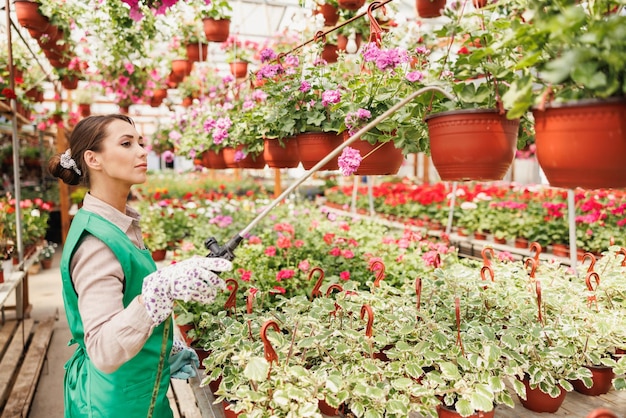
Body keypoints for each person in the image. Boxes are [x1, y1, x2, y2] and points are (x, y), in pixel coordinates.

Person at [48, 114, 231, 417]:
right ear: (93, 159)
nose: (142, 151)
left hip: (140, 390)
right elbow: (104, 350)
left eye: (140, 143)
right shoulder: (97, 243)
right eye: (126, 143)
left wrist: (161, 350)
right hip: (116, 404)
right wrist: (158, 293)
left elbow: (124, 301)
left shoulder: (118, 223)